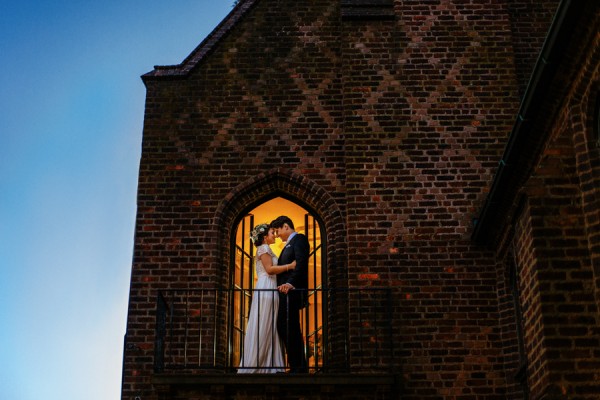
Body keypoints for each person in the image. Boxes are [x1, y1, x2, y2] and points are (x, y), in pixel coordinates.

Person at [238, 223, 297, 373]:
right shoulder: (263, 248)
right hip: (266, 286)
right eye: (272, 232)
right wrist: (290, 266)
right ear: (265, 237)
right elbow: (270, 270)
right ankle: (256, 363)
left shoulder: (268, 249)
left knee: (271, 324)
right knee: (264, 322)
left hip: (271, 286)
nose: (275, 235)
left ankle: (271, 364)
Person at [271, 215, 309, 373]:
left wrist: (290, 283)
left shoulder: (299, 239)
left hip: (292, 292)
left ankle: (298, 367)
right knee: (287, 326)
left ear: (286, 226)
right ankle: (297, 366)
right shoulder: (287, 245)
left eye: (277, 230)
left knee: (287, 326)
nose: (277, 235)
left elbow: (301, 263)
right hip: (285, 294)